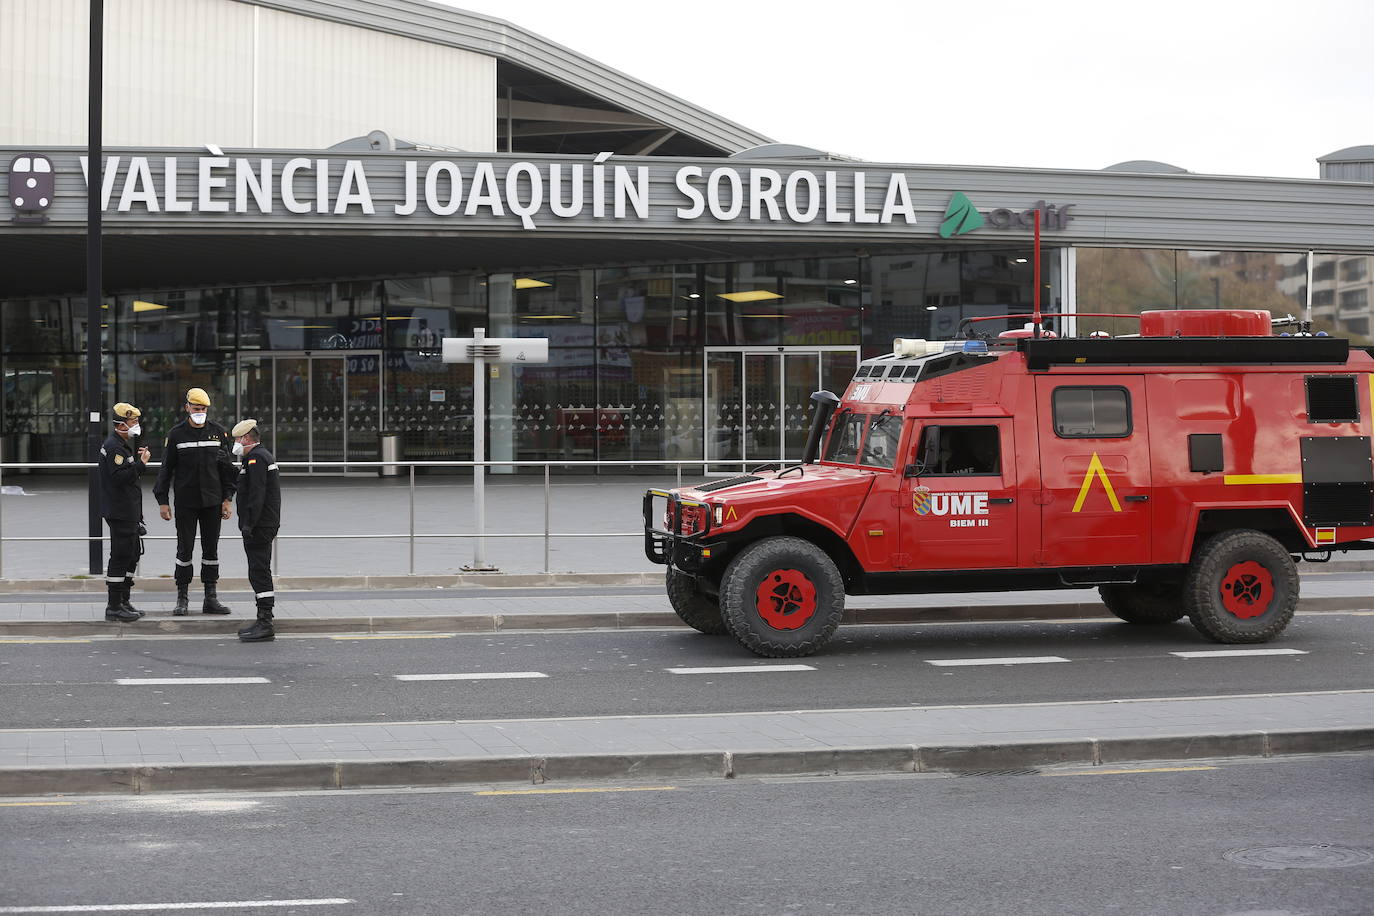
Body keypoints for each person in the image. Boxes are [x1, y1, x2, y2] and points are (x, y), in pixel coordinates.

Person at [153, 387, 237, 616]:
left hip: (212, 501)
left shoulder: (219, 433)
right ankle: (182, 597)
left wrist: (228, 499)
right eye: (196, 408)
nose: (200, 412)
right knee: (184, 550)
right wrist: (163, 500)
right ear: (187, 407)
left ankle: (211, 597)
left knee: (211, 551)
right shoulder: (177, 434)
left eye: (203, 409)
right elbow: (166, 469)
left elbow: (227, 469)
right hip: (186, 502)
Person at [98, 403, 150, 622]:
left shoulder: (121, 445)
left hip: (128, 511)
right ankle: (114, 606)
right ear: (121, 425)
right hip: (120, 511)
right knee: (120, 556)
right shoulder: (115, 447)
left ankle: (124, 601)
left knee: (132, 554)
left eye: (137, 422)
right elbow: (120, 478)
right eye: (132, 422)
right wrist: (141, 465)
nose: (136, 426)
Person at [230, 419, 280, 642]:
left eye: (237, 439)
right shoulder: (258, 456)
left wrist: (249, 523)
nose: (235, 444)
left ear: (246, 438)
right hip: (262, 523)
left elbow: (256, 494)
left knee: (259, 571)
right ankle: (262, 619)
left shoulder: (256, 458)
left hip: (260, 525)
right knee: (258, 570)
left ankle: (265, 622)